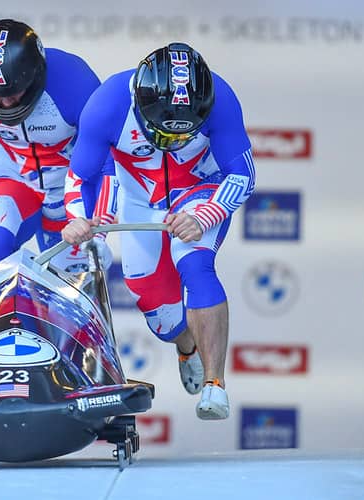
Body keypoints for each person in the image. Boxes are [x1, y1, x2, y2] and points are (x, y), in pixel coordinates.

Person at [62, 42, 256, 420]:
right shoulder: (107, 105)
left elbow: (243, 173)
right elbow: (80, 175)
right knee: (158, 312)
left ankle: (215, 386)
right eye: (163, 135)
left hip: (199, 189)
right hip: (140, 201)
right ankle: (186, 344)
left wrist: (206, 214)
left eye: (183, 136)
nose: (172, 143)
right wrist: (79, 218)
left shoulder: (221, 99)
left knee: (195, 264)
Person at [0, 18, 112, 273]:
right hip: (13, 176)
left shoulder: (76, 83)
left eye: (13, 91)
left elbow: (107, 162)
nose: (5, 103)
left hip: (72, 185)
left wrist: (99, 232)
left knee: (73, 283)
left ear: (35, 75)